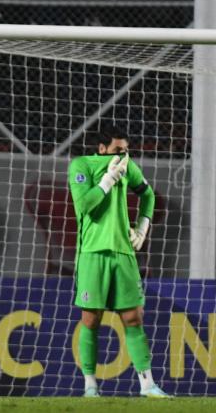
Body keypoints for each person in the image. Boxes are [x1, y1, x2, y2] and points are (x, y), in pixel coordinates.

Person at [68, 125, 168, 398]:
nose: (124, 155)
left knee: (134, 318)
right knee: (90, 319)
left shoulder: (127, 165)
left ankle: (147, 385)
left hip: (124, 253)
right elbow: (84, 206)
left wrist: (143, 227)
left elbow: (147, 194)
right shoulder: (82, 165)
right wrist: (107, 181)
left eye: (126, 150)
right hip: (93, 253)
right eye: (117, 150)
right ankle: (90, 387)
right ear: (101, 149)